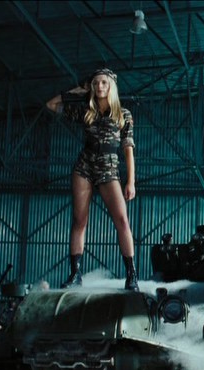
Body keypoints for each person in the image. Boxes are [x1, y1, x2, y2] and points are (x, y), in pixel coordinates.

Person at [46, 68, 139, 292]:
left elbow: (128, 149)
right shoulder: (86, 112)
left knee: (122, 221)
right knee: (79, 221)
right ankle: (75, 274)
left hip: (109, 168)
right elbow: (51, 104)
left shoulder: (123, 115)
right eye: (96, 83)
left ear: (111, 86)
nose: (99, 87)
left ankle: (131, 275)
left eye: (104, 83)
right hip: (84, 166)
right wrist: (79, 89)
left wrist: (131, 181)